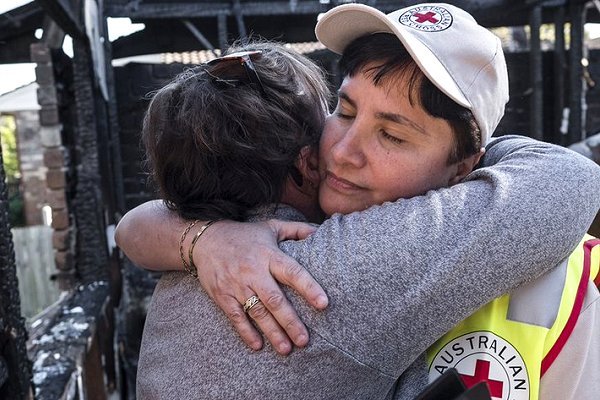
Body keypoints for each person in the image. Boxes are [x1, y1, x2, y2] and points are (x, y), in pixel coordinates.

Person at [116, 3, 600, 399]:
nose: (343, 154)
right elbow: (573, 180)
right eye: (343, 111)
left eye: (392, 135)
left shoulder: (221, 232)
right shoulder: (332, 256)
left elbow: (132, 227)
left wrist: (197, 237)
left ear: (464, 167)